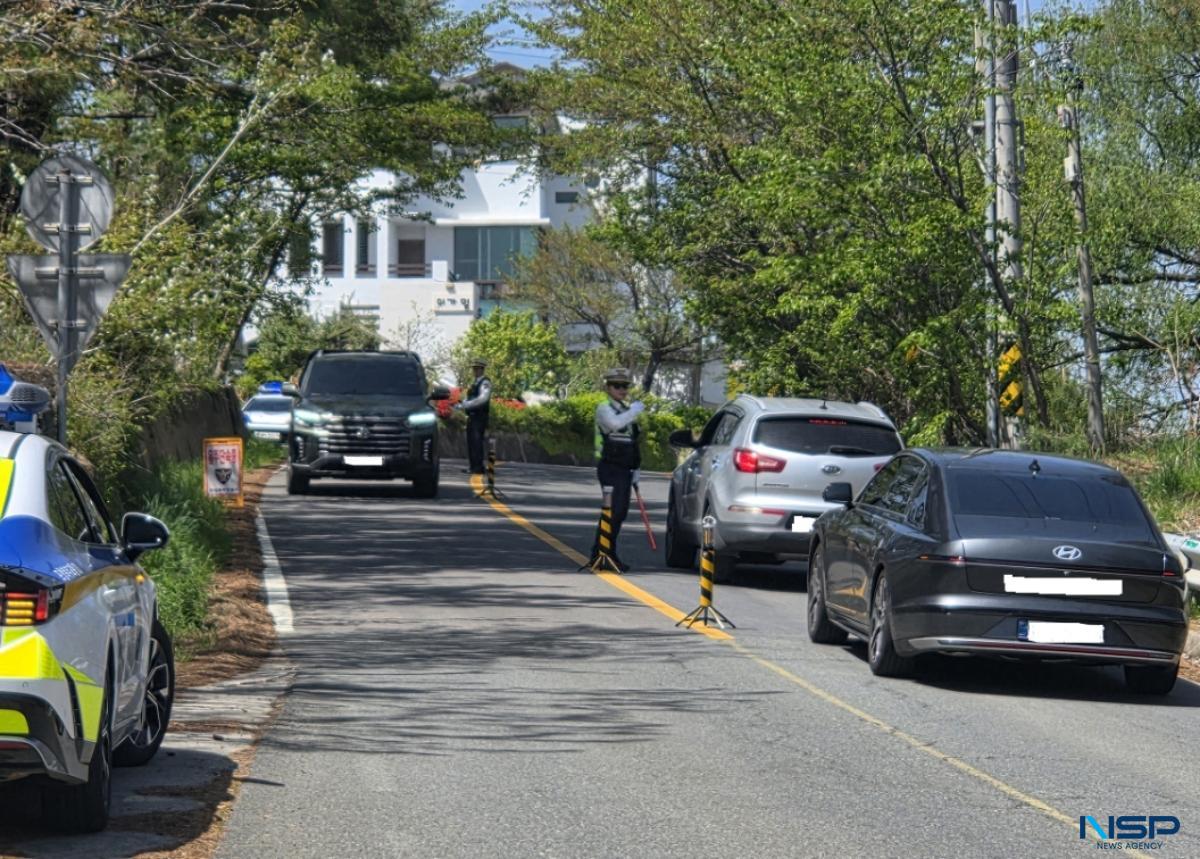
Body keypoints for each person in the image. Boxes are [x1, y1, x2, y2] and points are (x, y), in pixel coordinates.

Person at [592, 368, 644, 572]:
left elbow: (633, 441)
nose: (622, 390)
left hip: (624, 468)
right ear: (608, 387)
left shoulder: (625, 409)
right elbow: (614, 425)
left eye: (625, 386)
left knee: (619, 512)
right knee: (612, 511)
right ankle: (601, 553)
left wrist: (636, 468)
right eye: (617, 386)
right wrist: (634, 411)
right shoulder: (605, 408)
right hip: (609, 466)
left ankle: (606, 552)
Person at [456, 358, 491, 474]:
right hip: (472, 416)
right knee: (471, 442)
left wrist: (467, 405)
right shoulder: (475, 383)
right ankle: (473, 466)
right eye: (474, 369)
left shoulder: (485, 382)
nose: (474, 371)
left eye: (477, 369)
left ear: (482, 369)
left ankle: (478, 467)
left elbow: (483, 399)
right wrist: (461, 403)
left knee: (476, 442)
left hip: (479, 416)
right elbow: (471, 397)